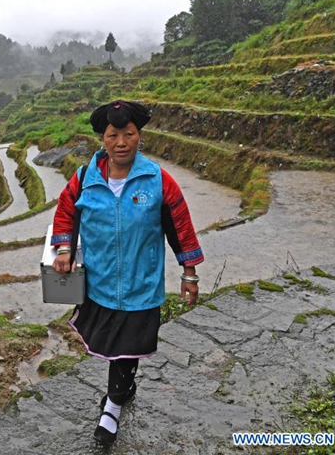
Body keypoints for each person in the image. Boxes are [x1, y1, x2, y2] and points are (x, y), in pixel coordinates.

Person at [51, 100, 203, 445]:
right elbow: (65, 213)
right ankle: (125, 388)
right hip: (100, 282)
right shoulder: (84, 179)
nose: (121, 142)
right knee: (114, 344)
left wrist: (189, 273)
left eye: (129, 134)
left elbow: (180, 227)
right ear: (102, 139)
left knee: (128, 345)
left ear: (140, 136)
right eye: (113, 135)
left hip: (140, 282)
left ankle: (113, 406)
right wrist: (63, 249)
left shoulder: (158, 180)